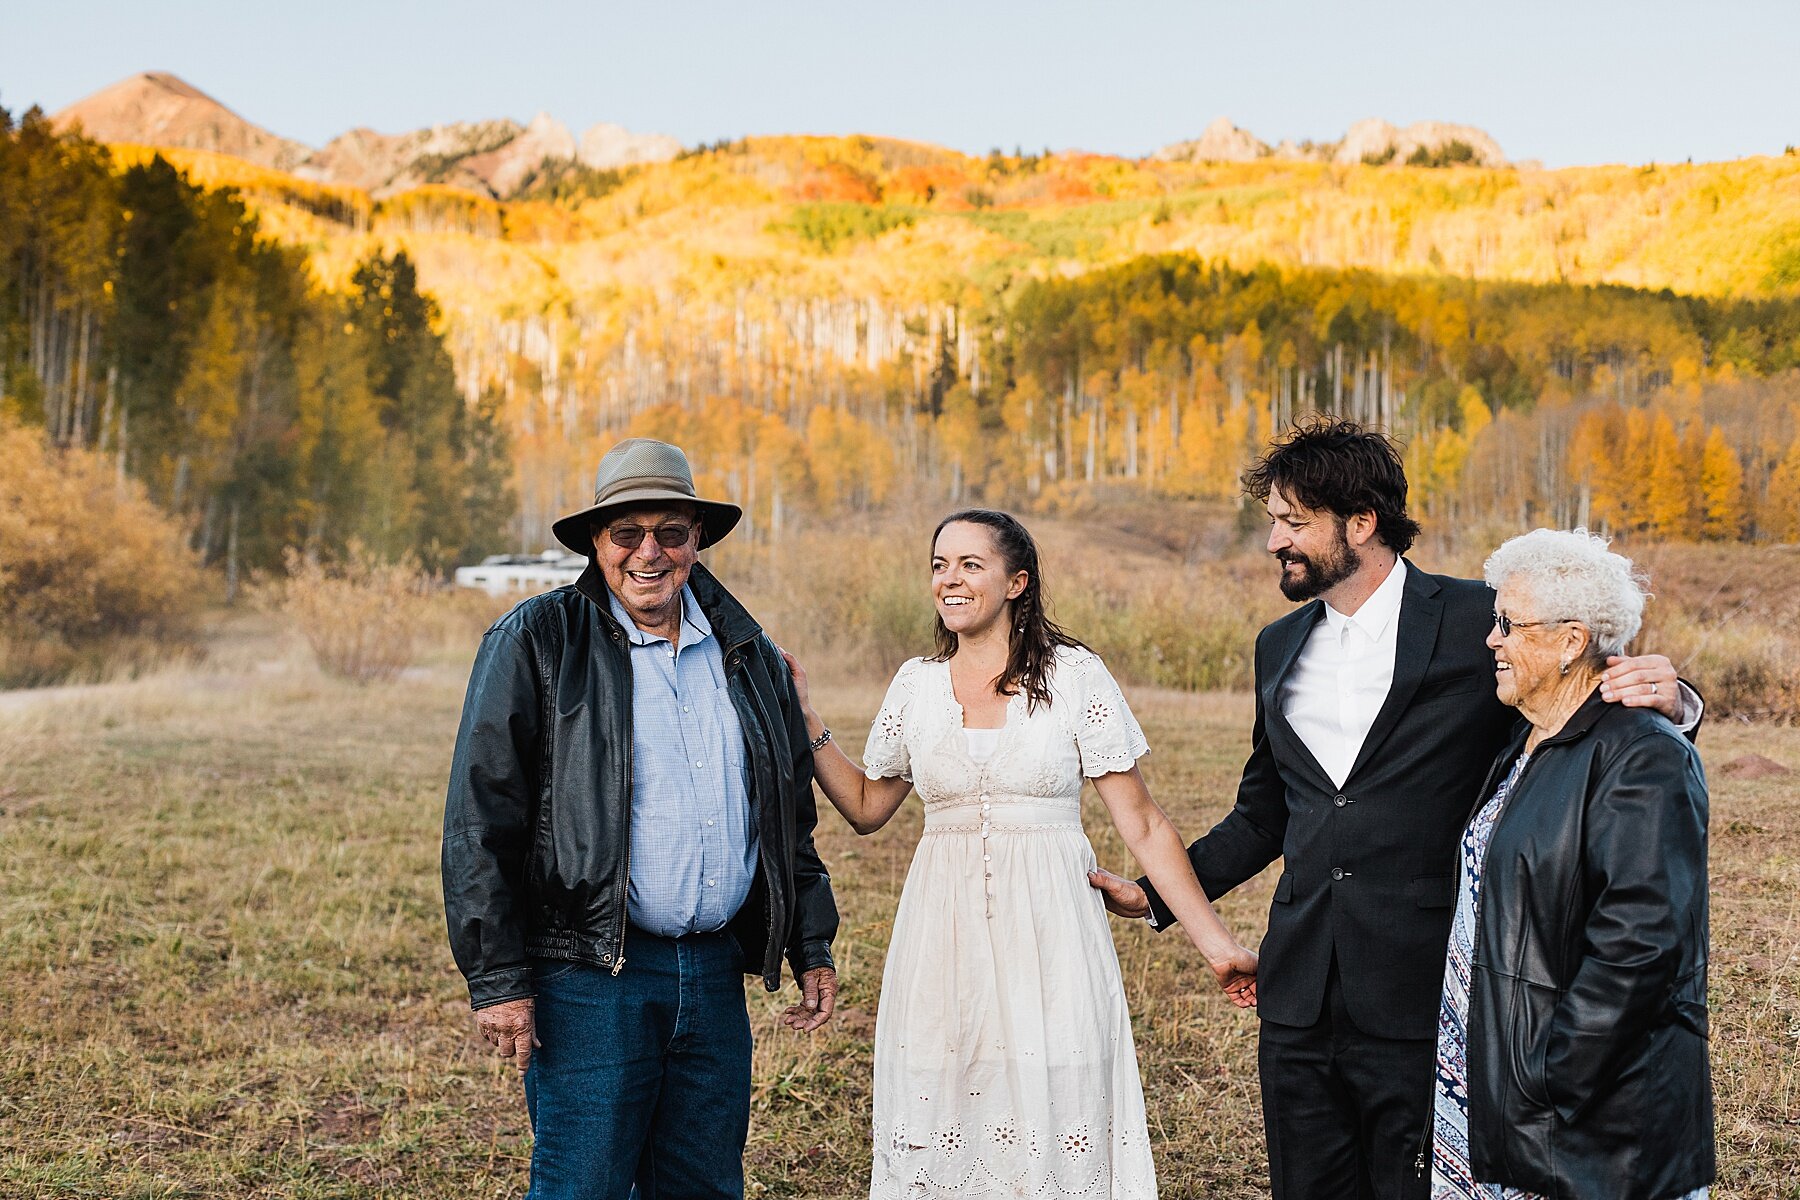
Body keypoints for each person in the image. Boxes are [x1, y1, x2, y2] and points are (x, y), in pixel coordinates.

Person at [1087, 418, 1699, 1200]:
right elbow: (1265, 813)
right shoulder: (1277, 646)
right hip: (1299, 1000)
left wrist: (1678, 698)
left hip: (1425, 992)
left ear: (1362, 523)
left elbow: (1588, 689)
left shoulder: (1484, 621)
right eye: (1274, 521)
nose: (1275, 540)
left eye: (1293, 522)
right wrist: (1163, 895)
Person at [781, 508, 1258, 1199]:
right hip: (940, 938)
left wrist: (1215, 945)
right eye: (940, 565)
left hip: (1052, 935)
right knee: (944, 1105)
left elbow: (1146, 825)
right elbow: (865, 807)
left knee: (1055, 1103)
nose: (950, 579)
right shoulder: (915, 685)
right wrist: (806, 717)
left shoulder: (1075, 677)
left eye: (971, 565)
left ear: (1017, 583)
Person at [441, 438, 840, 1200]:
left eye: (671, 531)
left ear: (698, 540)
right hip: (590, 977)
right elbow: (480, 818)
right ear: (597, 543)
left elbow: (787, 813)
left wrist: (810, 941)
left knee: (703, 1184)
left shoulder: (748, 651)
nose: (649, 552)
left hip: (716, 971)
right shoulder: (536, 638)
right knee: (582, 1186)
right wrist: (497, 979)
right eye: (627, 533)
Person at [1431, 528, 1712, 1200]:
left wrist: (1547, 1076)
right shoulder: (1524, 744)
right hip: (1500, 1092)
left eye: (1508, 623)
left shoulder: (1643, 756)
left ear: (1571, 641)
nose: (1491, 639)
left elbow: (1641, 945)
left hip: (1583, 1125)